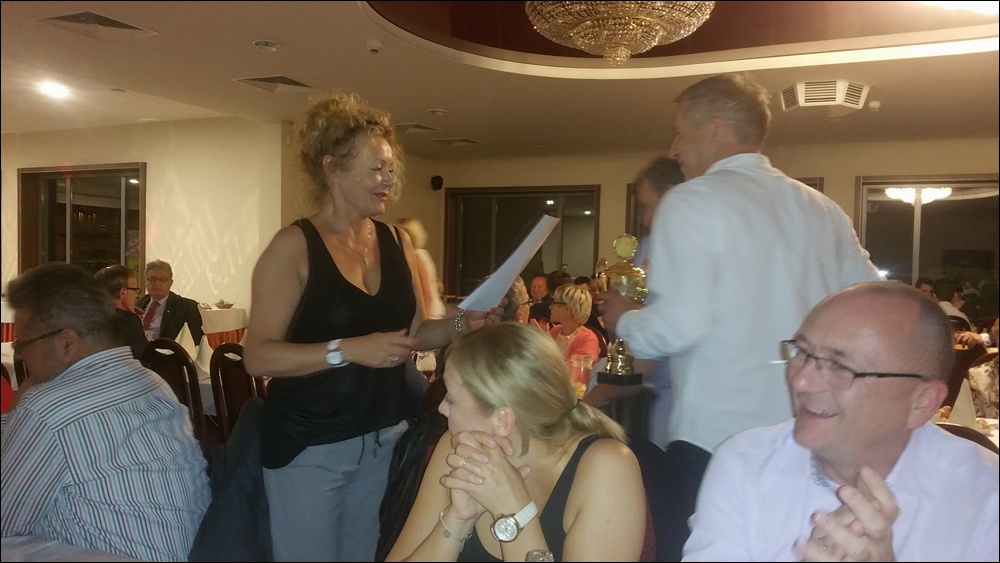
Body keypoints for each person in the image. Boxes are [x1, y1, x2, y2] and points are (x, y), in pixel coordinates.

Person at [598, 72, 882, 559]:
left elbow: (677, 327)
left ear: (715, 128)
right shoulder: (823, 208)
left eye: (680, 133)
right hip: (806, 428)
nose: (673, 149)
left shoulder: (691, 200)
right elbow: (871, 303)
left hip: (715, 437)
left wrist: (624, 319)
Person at [243, 91, 496, 562]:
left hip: (383, 436)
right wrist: (349, 349)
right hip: (310, 446)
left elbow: (419, 331)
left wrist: (465, 321)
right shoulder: (293, 246)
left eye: (390, 169)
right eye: (376, 168)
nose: (389, 180)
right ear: (332, 169)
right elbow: (257, 356)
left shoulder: (396, 241)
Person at [684, 281, 999, 561]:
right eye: (803, 352)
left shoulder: (986, 497)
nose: (802, 382)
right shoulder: (745, 462)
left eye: (841, 367)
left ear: (922, 402)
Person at [385, 322, 646, 562]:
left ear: (502, 420)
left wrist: (515, 512)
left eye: (451, 398)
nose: (441, 408)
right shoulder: (457, 448)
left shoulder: (607, 468)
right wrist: (457, 521)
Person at [1, 263, 210, 562]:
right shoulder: (151, 382)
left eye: (22, 343)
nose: (19, 353)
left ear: (67, 342)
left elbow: (5, 522)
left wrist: (27, 396)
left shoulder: (49, 408)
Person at [586, 156, 685, 449]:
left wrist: (591, 402)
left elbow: (645, 364)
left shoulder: (669, 250)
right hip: (662, 403)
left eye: (647, 206)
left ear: (673, 198)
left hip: (674, 408)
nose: (644, 219)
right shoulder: (650, 249)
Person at [137, 259, 205, 343]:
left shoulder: (186, 307)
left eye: (163, 279)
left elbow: (196, 339)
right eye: (152, 279)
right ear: (145, 281)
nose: (157, 283)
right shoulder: (138, 303)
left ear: (170, 283)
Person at [539, 283, 600, 376]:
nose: (550, 307)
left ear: (568, 308)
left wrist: (547, 346)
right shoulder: (556, 330)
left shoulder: (588, 339)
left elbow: (572, 375)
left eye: (554, 302)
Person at [93, 264, 148, 358]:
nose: (136, 296)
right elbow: (145, 356)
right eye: (135, 290)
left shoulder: (88, 315)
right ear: (122, 292)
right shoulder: (128, 320)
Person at [398, 217, 447, 320]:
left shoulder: (416, 258)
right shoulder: (421, 254)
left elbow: (426, 294)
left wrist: (424, 321)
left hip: (429, 315)